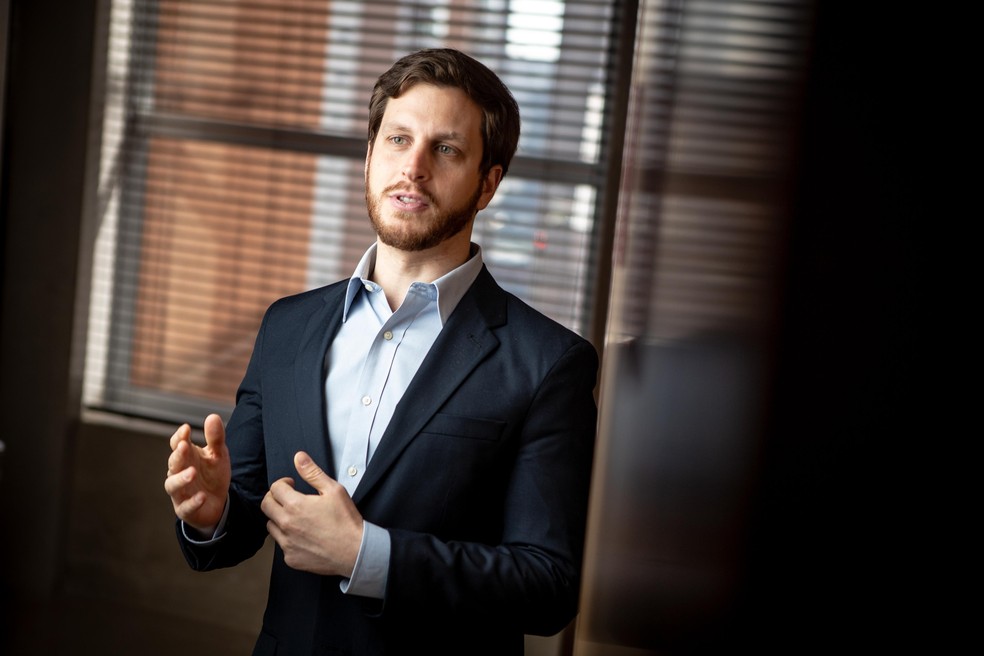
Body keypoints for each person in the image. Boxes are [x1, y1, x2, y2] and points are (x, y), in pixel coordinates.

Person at [164, 48, 598, 656]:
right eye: (397, 139)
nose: (413, 167)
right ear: (370, 156)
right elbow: (244, 517)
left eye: (446, 149)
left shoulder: (549, 362)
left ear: (488, 183)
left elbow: (547, 586)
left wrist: (370, 556)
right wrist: (209, 513)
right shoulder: (287, 327)